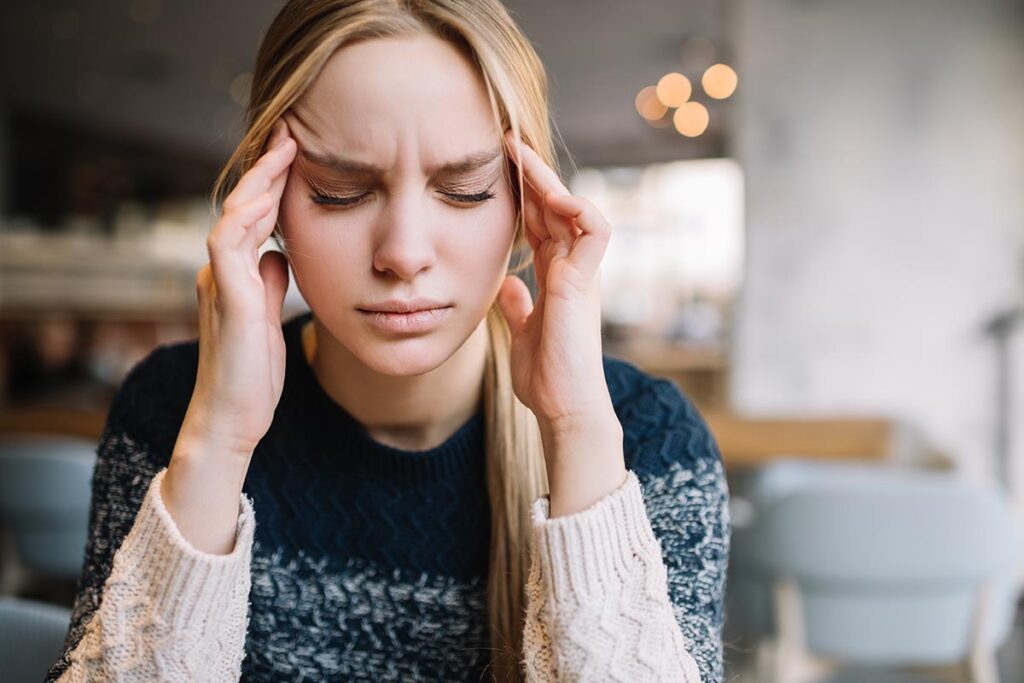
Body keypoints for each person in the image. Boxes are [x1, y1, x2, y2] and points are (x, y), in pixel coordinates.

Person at [46, 0, 730, 681]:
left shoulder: (649, 444)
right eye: (340, 191)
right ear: (269, 199)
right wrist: (218, 442)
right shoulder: (172, 410)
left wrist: (579, 431)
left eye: (465, 189)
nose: (403, 253)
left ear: (531, 206)